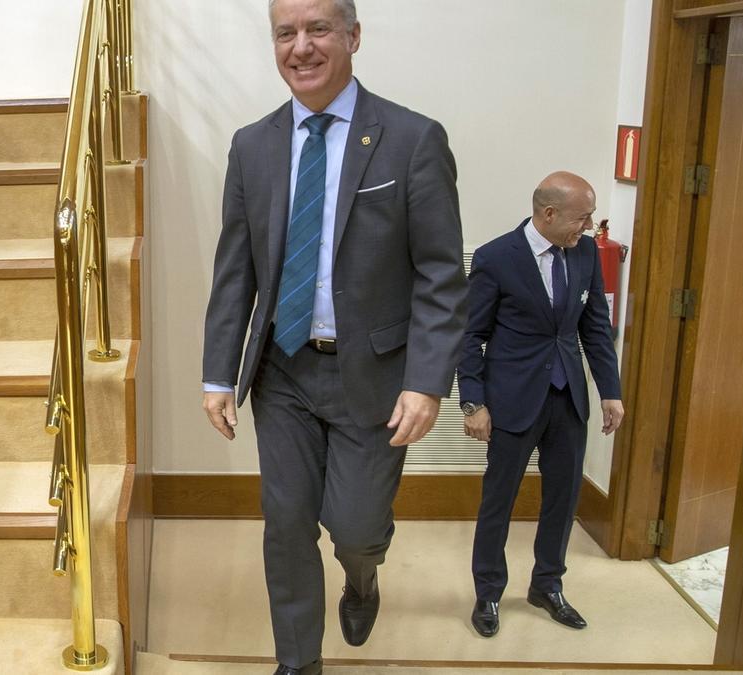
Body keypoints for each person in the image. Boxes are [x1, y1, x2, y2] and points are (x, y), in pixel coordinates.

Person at [201, 1, 467, 672]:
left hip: (372, 374)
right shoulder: (253, 145)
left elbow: (440, 270)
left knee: (353, 525)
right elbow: (235, 269)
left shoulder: (412, 138)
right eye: (285, 33)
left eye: (318, 28)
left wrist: (428, 380)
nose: (301, 46)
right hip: (283, 370)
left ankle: (363, 572)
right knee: (287, 522)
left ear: (352, 35)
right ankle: (298, 661)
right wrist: (216, 372)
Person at [458, 172, 624, 638]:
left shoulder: (586, 253)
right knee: (499, 500)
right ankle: (488, 589)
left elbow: (595, 328)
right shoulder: (496, 258)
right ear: (548, 214)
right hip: (511, 400)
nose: (588, 227)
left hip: (567, 396)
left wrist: (610, 390)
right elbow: (470, 336)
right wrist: (473, 403)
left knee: (563, 498)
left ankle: (547, 585)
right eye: (582, 217)